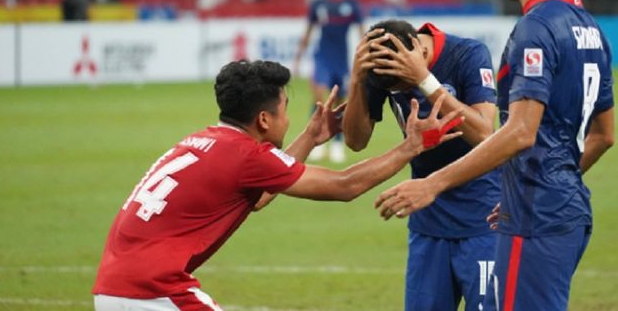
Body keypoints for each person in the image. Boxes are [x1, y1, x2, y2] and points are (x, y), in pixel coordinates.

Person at [373, 0, 616, 311]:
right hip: (568, 209)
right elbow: (604, 135)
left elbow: (520, 132)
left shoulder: (535, 29)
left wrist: (432, 183)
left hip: (538, 215)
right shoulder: (588, 26)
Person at [93, 59, 462, 311]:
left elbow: (257, 198)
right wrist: (410, 147)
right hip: (152, 293)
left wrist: (310, 137)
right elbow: (344, 185)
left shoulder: (205, 140)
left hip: (114, 288)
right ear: (265, 119)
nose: (289, 116)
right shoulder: (246, 156)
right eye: (286, 107)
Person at [342, 20, 499, 311]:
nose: (406, 92)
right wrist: (356, 80)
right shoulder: (384, 67)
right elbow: (355, 140)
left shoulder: (468, 54)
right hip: (427, 219)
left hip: (483, 218)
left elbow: (484, 133)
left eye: (406, 85)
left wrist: (423, 79)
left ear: (420, 52)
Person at [293, 0, 364, 163]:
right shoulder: (318, 4)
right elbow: (308, 32)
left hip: (341, 60)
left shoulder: (351, 5)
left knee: (341, 102)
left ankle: (337, 143)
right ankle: (313, 141)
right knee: (318, 98)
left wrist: (365, 59)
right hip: (321, 57)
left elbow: (362, 33)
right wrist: (298, 58)